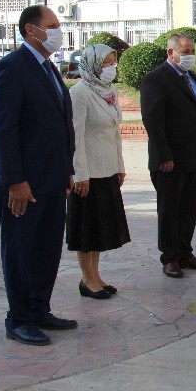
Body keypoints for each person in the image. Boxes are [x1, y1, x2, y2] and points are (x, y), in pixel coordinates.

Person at [0, 5, 76, 346]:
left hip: (53, 180)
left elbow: (60, 125)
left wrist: (68, 170)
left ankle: (40, 308)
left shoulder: (49, 68)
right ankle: (19, 318)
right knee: (21, 251)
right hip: (23, 183)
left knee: (47, 250)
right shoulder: (12, 68)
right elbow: (3, 128)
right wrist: (16, 180)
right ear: (31, 30)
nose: (58, 31)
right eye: (52, 25)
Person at [141, 33, 196, 279]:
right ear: (171, 53)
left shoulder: (194, 79)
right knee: (169, 210)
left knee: (189, 208)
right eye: (185, 51)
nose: (190, 55)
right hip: (170, 160)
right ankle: (170, 257)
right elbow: (153, 121)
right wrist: (164, 155)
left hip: (195, 156)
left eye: (192, 50)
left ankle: (185, 252)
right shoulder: (156, 79)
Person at [67, 44, 130, 299]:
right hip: (88, 172)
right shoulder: (80, 92)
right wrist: (79, 173)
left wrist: (120, 166)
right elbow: (76, 136)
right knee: (86, 228)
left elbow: (115, 132)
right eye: (105, 63)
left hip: (107, 169)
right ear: (93, 64)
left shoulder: (109, 91)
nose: (110, 68)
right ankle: (86, 279)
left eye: (113, 62)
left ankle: (96, 275)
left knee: (100, 227)